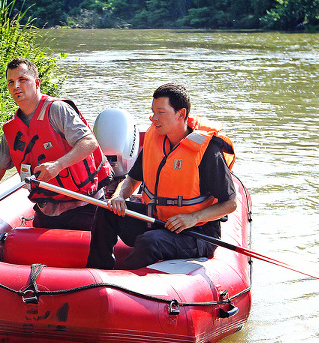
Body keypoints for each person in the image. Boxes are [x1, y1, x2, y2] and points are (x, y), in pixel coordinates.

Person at [86, 83, 237, 270]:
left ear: (181, 114)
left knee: (150, 241)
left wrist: (192, 218)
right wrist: (119, 196)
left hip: (196, 232)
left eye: (161, 112)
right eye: (153, 112)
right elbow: (132, 179)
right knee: (107, 211)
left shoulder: (207, 152)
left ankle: (124, 285)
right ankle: (97, 272)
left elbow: (230, 204)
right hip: (158, 219)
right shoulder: (154, 140)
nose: (154, 118)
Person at [0, 58, 113, 231]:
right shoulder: (11, 128)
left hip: (85, 205)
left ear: (37, 83)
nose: (16, 86)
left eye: (22, 80)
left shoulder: (57, 110)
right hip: (47, 209)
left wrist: (58, 165)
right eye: (11, 82)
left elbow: (89, 142)